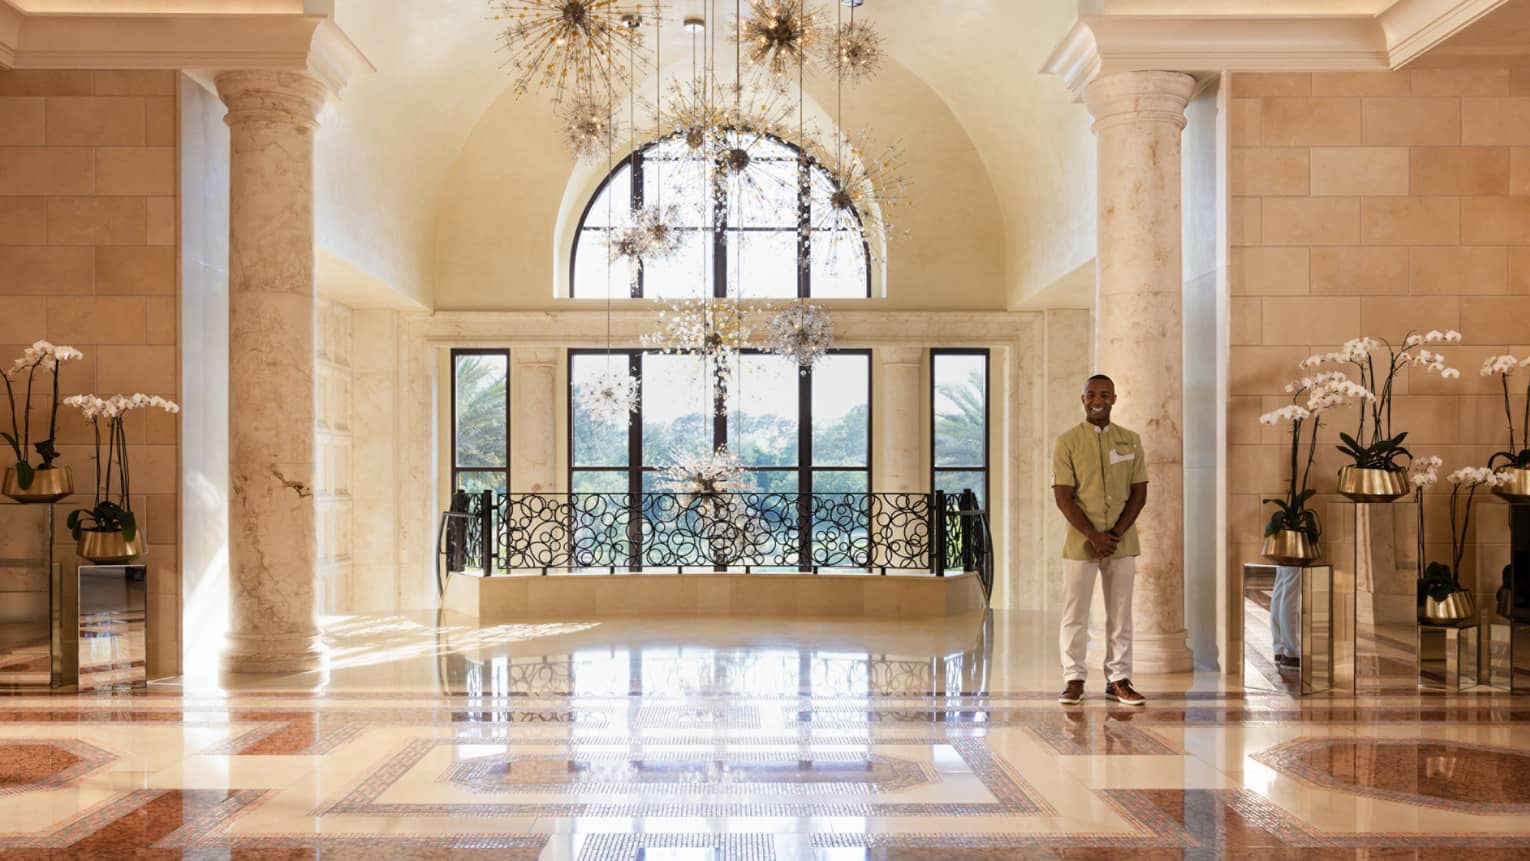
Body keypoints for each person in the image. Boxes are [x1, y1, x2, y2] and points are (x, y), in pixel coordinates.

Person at [1052, 374, 1149, 706]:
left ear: (1114, 399)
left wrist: (1115, 535)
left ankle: (1119, 679)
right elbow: (1063, 496)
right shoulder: (1067, 442)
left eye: (1104, 394)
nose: (1098, 399)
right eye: (1092, 394)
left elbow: (1139, 493)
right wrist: (1094, 536)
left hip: (1122, 541)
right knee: (1075, 612)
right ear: (1083, 400)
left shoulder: (1131, 441)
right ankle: (1074, 678)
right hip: (1080, 541)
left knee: (1120, 613)